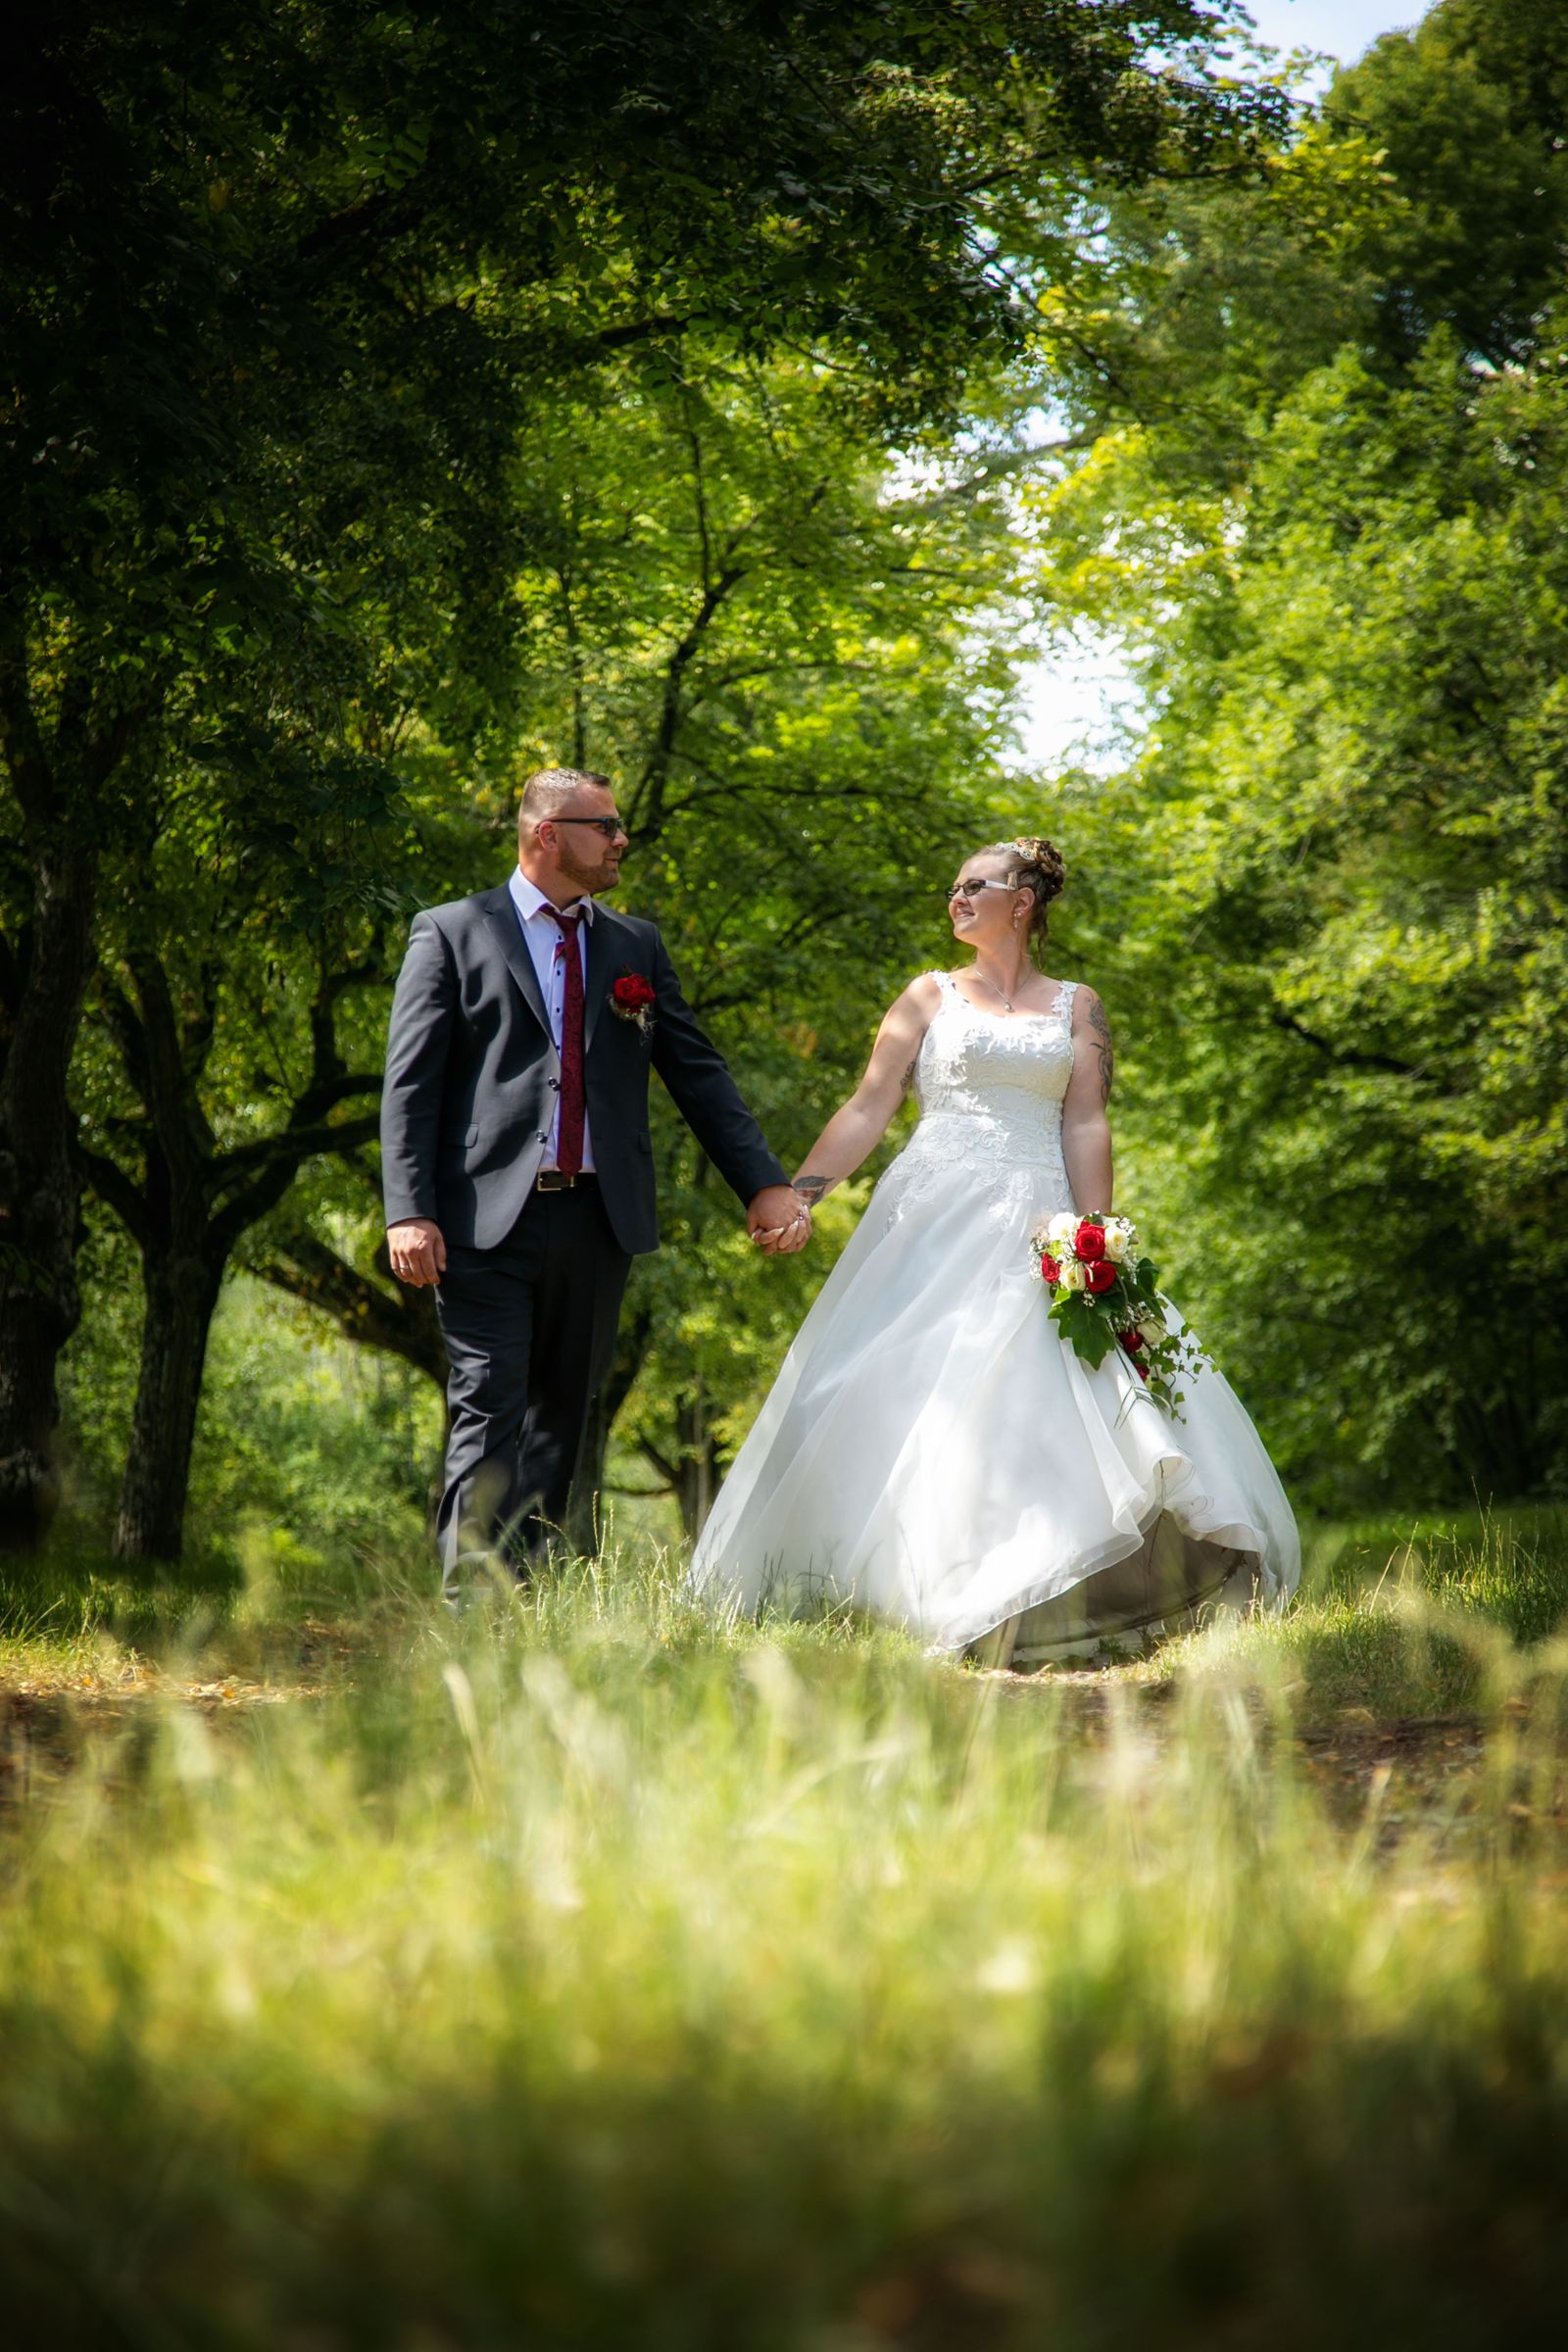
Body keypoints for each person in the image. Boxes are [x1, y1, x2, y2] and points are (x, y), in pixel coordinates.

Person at [688, 835, 1299, 1665]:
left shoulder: (1078, 1005)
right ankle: (902, 1591)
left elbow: (1085, 1121)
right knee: (900, 1388)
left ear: (1023, 902)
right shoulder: (927, 996)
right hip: (931, 1215)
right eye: (953, 887)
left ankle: (1020, 1585)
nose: (956, 897)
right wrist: (800, 1195)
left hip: (1040, 1220)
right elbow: (870, 1105)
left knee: (1040, 1397)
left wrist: (1094, 1237)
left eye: (974, 885)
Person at [381, 765, 808, 1595]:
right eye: (604, 826)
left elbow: (697, 1072)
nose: (621, 840)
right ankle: (471, 1608)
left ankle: (527, 1600)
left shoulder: (633, 945)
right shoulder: (450, 932)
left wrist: (762, 1182)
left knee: (560, 1423)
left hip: (598, 1220)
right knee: (486, 1408)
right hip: (481, 1220)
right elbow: (410, 1086)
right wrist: (409, 1211)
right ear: (548, 834)